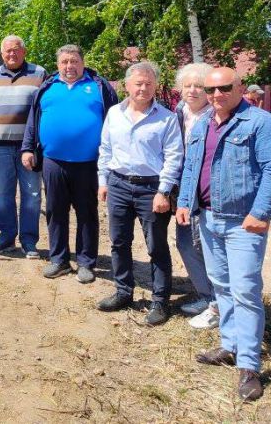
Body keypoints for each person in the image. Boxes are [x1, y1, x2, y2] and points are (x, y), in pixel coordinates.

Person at [176, 67, 271, 401]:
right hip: (208, 219)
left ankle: (249, 365)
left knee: (245, 291)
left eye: (224, 88)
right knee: (222, 286)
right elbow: (191, 168)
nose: (215, 96)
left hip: (243, 223)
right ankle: (230, 345)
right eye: (210, 91)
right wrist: (185, 202)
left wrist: (261, 211)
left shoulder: (261, 123)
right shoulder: (203, 123)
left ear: (239, 87)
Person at [95, 62, 183, 325]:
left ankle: (160, 301)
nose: (143, 88)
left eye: (148, 83)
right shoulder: (114, 113)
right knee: (119, 242)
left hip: (151, 189)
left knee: (156, 246)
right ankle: (123, 292)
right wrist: (103, 181)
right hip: (119, 185)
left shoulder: (167, 118)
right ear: (127, 85)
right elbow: (106, 149)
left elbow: (174, 157)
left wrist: (163, 191)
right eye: (138, 83)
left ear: (155, 85)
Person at [21, 44, 117, 282]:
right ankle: (60, 260)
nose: (69, 66)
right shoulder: (47, 87)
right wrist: (27, 148)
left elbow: (115, 120)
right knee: (55, 211)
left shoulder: (99, 87)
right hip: (53, 161)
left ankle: (86, 262)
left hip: (88, 162)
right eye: (64, 62)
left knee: (86, 213)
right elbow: (33, 121)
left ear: (82, 62)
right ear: (58, 64)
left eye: (74, 61)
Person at [0, 35, 47, 257]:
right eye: (7, 51)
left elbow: (44, 110)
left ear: (24, 51)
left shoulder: (39, 74)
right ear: (1, 54)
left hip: (28, 147)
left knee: (32, 193)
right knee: (2, 192)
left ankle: (29, 241)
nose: (12, 54)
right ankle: (6, 236)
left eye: (16, 49)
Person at [173, 63, 218, 329]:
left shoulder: (216, 115)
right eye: (187, 85)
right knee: (185, 242)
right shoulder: (178, 113)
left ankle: (216, 301)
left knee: (206, 245)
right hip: (182, 187)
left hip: (207, 189)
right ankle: (207, 295)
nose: (192, 90)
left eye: (198, 86)